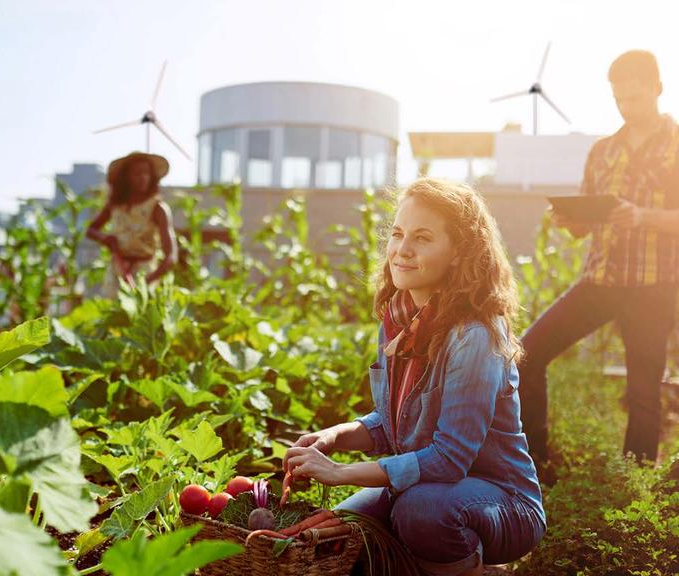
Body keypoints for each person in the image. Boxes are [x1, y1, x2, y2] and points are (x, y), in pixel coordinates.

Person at [282, 179, 545, 576]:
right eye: (398, 234)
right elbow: (395, 425)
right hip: (425, 487)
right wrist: (336, 436)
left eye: (422, 238)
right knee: (337, 529)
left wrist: (339, 474)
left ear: (460, 253)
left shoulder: (474, 335)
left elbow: (448, 459)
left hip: (503, 503)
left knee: (420, 512)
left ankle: (479, 568)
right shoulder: (400, 321)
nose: (402, 250)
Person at [518, 50, 679, 472]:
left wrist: (642, 216)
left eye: (635, 99)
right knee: (526, 352)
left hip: (653, 286)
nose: (627, 108)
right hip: (600, 280)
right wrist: (569, 220)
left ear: (658, 88)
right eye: (619, 100)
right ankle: (535, 460)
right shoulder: (603, 151)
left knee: (643, 391)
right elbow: (584, 228)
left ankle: (635, 482)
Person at [86, 152, 178, 289]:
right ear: (126, 178)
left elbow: (171, 256)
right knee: (112, 308)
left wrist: (148, 280)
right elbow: (91, 230)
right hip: (117, 269)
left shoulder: (158, 208)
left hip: (145, 273)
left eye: (146, 173)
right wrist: (106, 239)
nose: (143, 177)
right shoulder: (115, 206)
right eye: (137, 173)